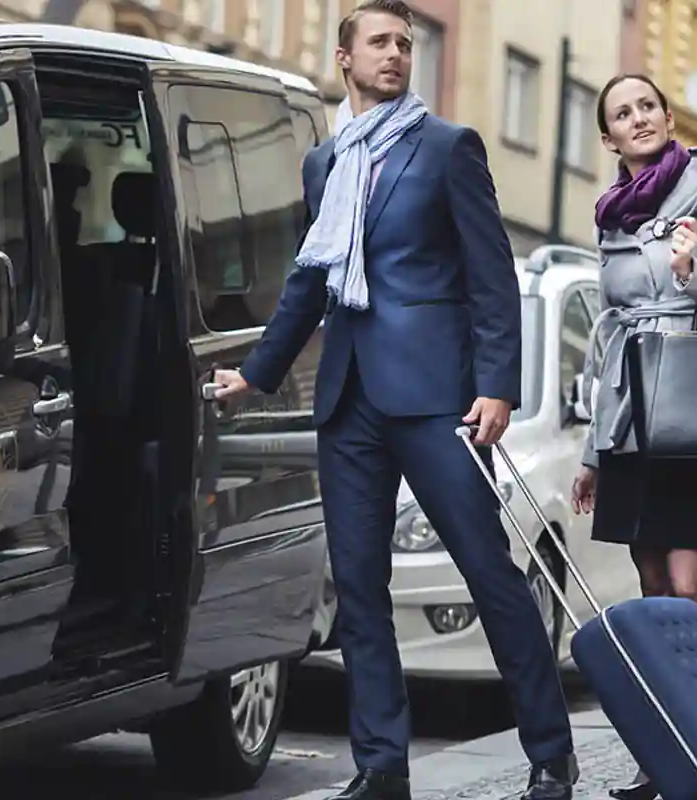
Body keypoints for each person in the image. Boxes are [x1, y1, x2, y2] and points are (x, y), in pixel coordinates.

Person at [207, 2, 578, 798]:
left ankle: (551, 754)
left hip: (436, 397)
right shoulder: (326, 162)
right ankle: (382, 767)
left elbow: (490, 277)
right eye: (380, 42)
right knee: (361, 586)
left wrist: (497, 387)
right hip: (349, 398)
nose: (397, 55)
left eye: (405, 44)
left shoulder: (446, 149)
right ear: (344, 59)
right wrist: (255, 373)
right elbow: (307, 282)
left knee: (488, 571)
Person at [568, 73, 697, 800]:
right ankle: (668, 759)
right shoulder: (611, 215)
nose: (638, 117)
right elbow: (606, 337)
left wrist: (693, 272)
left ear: (668, 115)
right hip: (632, 416)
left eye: (647, 105)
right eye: (622, 112)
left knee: (690, 586)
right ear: (609, 138)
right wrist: (593, 448)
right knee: (652, 590)